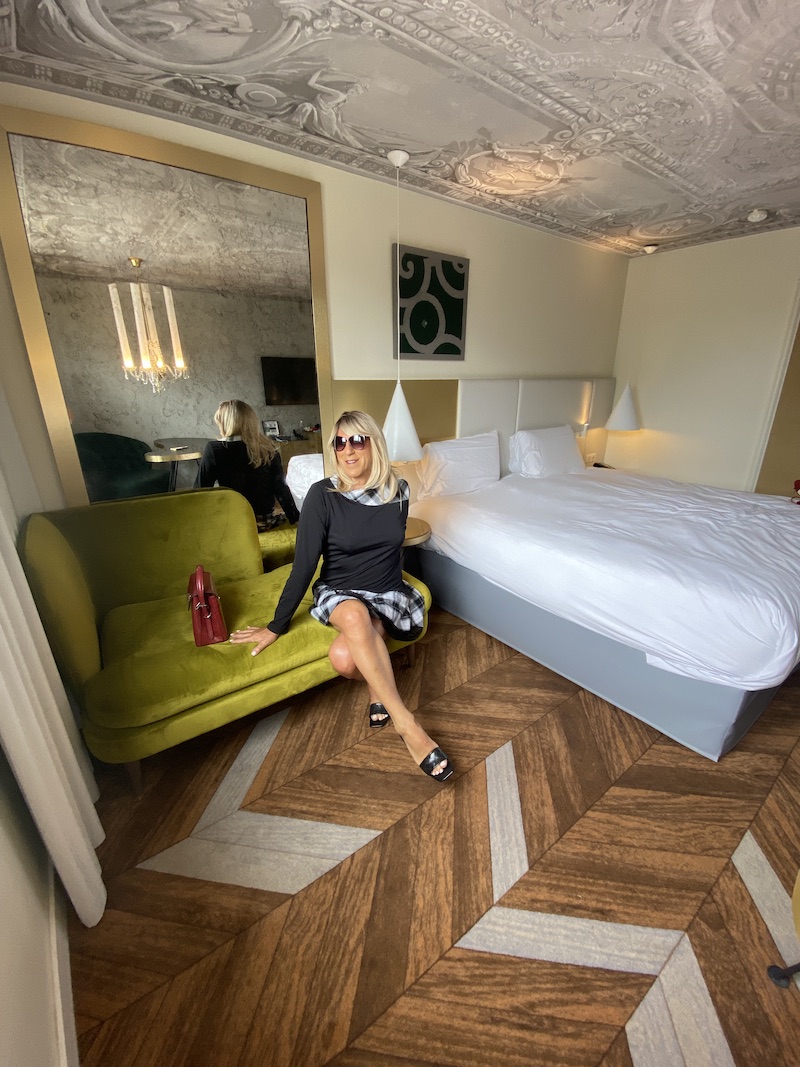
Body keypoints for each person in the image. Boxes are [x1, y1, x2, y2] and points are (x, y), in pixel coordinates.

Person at [229, 410, 453, 782]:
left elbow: (390, 549)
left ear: (374, 444)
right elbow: (304, 566)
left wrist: (388, 596)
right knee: (352, 616)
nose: (347, 450)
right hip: (340, 590)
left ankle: (377, 692)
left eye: (357, 441)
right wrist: (275, 625)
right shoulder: (323, 495)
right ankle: (408, 725)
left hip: (384, 591)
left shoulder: (398, 490)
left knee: (344, 659)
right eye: (339, 442)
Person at [194, 400, 299, 527]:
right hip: (263, 521)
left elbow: (200, 491)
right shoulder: (268, 448)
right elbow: (281, 488)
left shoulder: (215, 449)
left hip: (233, 523)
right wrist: (295, 518)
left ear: (225, 424)